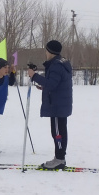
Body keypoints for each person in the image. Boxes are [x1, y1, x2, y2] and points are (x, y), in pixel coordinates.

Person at [27, 40, 72, 169]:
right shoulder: (60, 63)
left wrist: (34, 76)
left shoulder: (57, 65)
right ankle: (60, 157)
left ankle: (59, 159)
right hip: (60, 103)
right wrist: (44, 87)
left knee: (57, 132)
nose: (45, 52)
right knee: (59, 130)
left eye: (46, 50)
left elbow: (52, 84)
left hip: (57, 105)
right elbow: (56, 83)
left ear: (50, 52)